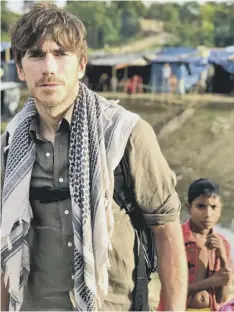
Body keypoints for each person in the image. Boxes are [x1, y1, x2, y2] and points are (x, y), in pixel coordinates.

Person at [1, 3, 188, 311]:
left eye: (61, 54)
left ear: (82, 64)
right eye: (36, 55)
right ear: (20, 68)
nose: (49, 67)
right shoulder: (9, 150)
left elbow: (167, 230)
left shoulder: (126, 135)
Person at [158, 178, 233, 311]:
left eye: (214, 207)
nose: (208, 214)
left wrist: (222, 257)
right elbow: (170, 291)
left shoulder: (222, 243)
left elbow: (222, 298)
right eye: (201, 206)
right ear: (188, 208)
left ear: (220, 208)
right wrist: (210, 282)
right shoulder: (176, 238)